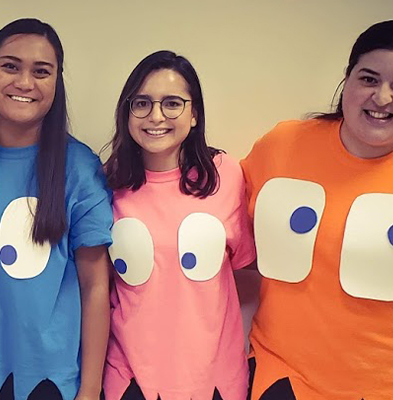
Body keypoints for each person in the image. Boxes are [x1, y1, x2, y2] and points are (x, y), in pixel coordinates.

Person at [242, 19, 393, 399]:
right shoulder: (281, 145)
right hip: (280, 381)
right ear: (347, 80)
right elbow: (239, 248)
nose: (382, 98)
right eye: (368, 78)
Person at [0, 18, 112, 400]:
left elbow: (95, 285)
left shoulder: (79, 167)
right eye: (10, 66)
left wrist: (91, 389)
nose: (25, 82)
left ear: (56, 82)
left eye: (41, 72)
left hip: (47, 381)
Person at [101, 51, 255, 400]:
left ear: (194, 113)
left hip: (213, 379)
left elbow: (245, 269)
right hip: (129, 380)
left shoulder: (227, 175)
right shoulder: (106, 184)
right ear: (127, 112)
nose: (156, 116)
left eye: (172, 103)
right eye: (141, 103)